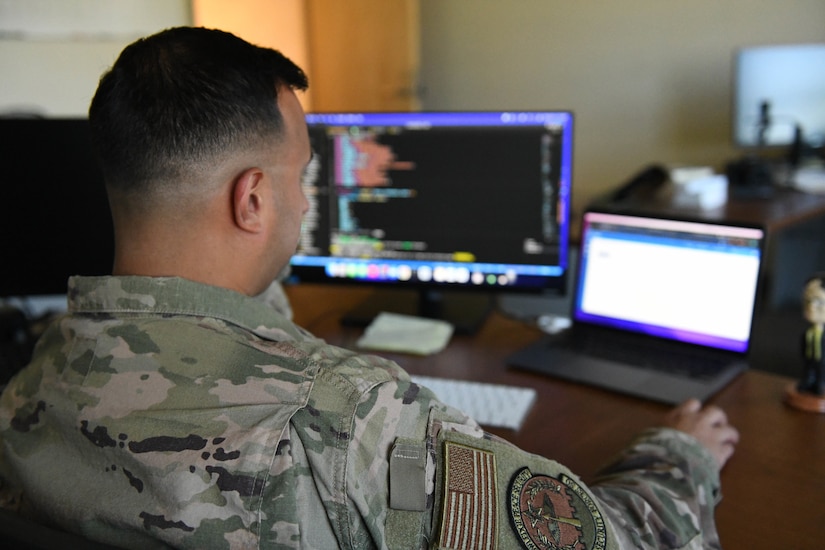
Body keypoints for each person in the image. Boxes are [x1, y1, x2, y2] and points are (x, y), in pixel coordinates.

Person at [0, 27, 739, 549]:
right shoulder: (349, 418)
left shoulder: (29, 386)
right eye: (304, 175)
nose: (307, 200)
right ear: (252, 199)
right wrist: (680, 454)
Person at [797, 273, 825, 395]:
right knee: (808, 371)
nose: (811, 306)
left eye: (819, 302)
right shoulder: (807, 333)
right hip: (809, 359)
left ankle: (820, 384)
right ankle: (808, 382)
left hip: (822, 363)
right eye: (808, 300)